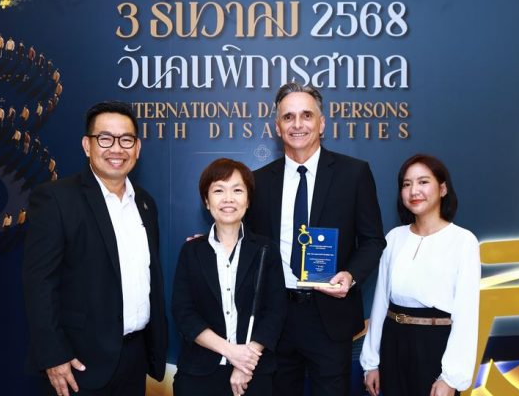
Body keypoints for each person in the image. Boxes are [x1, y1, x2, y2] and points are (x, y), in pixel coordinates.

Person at [245, 83, 386, 396]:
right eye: (288, 117)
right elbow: (247, 241)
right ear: (277, 127)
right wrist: (212, 240)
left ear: (322, 123)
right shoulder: (259, 181)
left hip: (329, 317)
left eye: (306, 115)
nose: (298, 124)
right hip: (276, 316)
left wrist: (350, 275)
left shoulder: (354, 174)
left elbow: (373, 240)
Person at [22, 101, 167, 396]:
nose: (117, 149)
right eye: (105, 138)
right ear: (87, 146)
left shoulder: (145, 203)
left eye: (126, 140)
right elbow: (39, 284)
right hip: (78, 364)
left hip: (135, 358)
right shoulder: (55, 199)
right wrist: (53, 355)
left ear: (138, 148)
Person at [360, 154, 481, 396]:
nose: (414, 190)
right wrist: (371, 362)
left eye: (423, 182)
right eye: (407, 184)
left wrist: (450, 377)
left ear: (443, 188)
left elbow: (466, 314)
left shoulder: (463, 241)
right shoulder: (394, 237)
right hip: (393, 343)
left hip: (434, 346)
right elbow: (381, 302)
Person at [173, 158, 286, 396]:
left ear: (248, 199)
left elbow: (275, 311)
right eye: (218, 190)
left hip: (254, 374)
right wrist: (232, 352)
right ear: (206, 201)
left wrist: (246, 362)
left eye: (237, 190)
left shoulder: (266, 249)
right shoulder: (191, 251)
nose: (228, 199)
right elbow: (184, 313)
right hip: (199, 374)